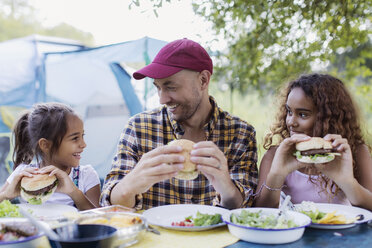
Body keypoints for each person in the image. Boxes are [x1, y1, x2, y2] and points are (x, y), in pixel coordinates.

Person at [100, 38, 258, 210]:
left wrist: (226, 186)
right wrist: (129, 186)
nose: (162, 99)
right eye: (158, 87)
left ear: (203, 80)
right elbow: (110, 204)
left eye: (171, 87)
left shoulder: (241, 133)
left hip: (213, 237)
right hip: (154, 236)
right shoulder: (138, 128)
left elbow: (243, 208)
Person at [254, 73, 372, 211]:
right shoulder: (275, 154)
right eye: (289, 111)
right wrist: (277, 174)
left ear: (329, 119)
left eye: (303, 114)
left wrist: (347, 182)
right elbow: (260, 211)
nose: (291, 122)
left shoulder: (355, 151)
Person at [0, 102, 100, 210]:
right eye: (75, 138)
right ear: (45, 145)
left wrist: (74, 192)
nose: (83, 144)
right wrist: (6, 195)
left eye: (82, 136)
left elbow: (100, 220)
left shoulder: (86, 175)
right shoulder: (23, 174)